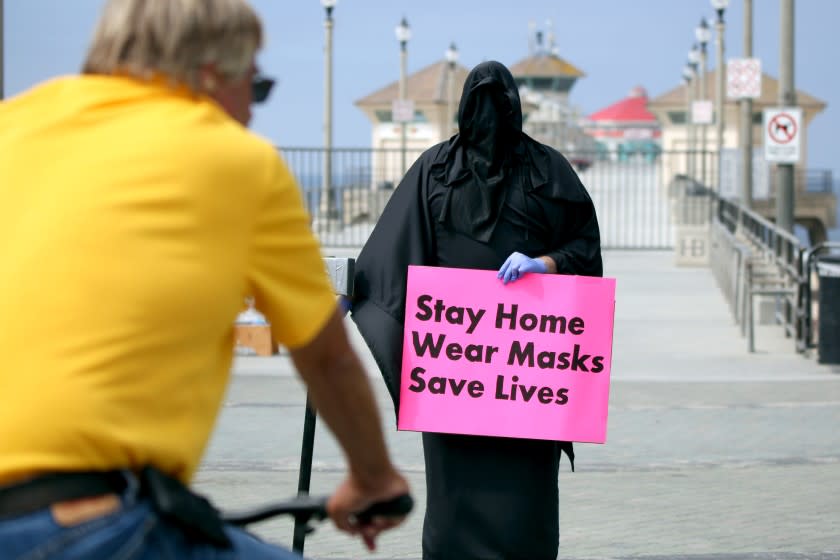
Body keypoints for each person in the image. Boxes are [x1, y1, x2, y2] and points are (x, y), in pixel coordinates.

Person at [0, 0, 410, 558]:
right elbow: (328, 359)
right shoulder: (238, 162)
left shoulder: (13, 124)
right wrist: (373, 480)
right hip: (79, 519)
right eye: (257, 87)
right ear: (214, 75)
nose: (251, 114)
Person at [348, 61, 602, 560]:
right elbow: (392, 252)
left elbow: (585, 247)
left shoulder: (546, 169)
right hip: (455, 373)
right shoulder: (435, 169)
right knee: (454, 498)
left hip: (527, 372)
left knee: (524, 502)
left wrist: (544, 263)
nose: (488, 120)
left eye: (497, 108)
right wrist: (351, 288)